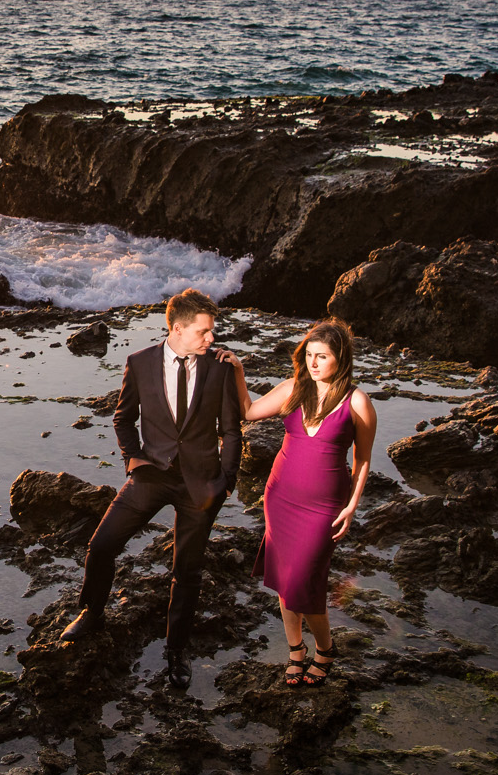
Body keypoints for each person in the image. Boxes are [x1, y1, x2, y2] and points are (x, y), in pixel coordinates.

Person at [61, 288, 242, 689]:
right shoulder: (140, 363)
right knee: (103, 544)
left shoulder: (220, 367)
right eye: (204, 331)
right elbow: (122, 418)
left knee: (187, 571)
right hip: (151, 475)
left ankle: (177, 651)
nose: (211, 338)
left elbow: (231, 430)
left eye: (211, 331)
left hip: (201, 484)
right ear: (178, 329)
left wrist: (226, 481)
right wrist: (133, 459)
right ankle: (92, 613)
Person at [229, 317, 375, 688]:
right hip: (281, 497)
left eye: (321, 356)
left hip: (325, 505)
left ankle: (324, 649)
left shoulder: (357, 401)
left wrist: (352, 506)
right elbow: (247, 410)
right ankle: (296, 650)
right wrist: (239, 370)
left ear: (340, 358)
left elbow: (363, 460)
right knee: (284, 580)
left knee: (305, 581)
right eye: (309, 354)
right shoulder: (294, 389)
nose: (313, 363)